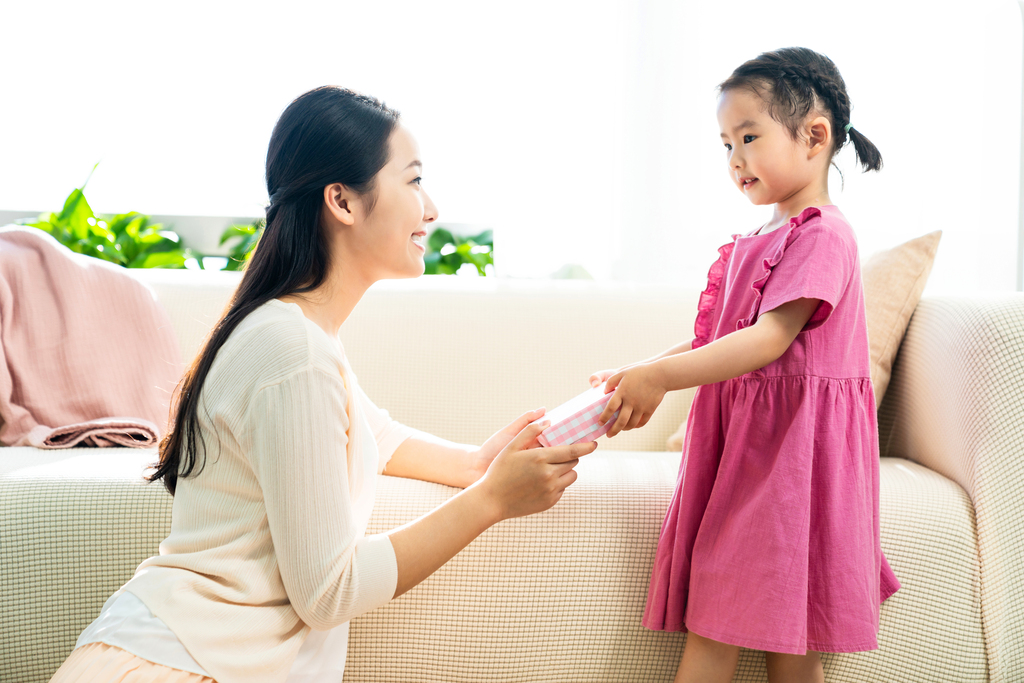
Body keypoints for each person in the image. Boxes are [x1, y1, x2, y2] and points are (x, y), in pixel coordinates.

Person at [49, 86, 595, 683]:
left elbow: (371, 433)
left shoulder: (296, 334)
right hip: (176, 664)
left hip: (186, 654)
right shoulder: (294, 351)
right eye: (413, 181)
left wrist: (477, 463)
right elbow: (328, 593)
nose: (432, 209)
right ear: (342, 201)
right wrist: (489, 501)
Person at [588, 47, 900, 683]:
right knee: (733, 612)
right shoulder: (758, 238)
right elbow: (718, 340)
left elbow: (769, 340)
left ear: (815, 136)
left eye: (748, 137)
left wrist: (662, 379)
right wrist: (640, 370)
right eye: (725, 143)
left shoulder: (824, 234)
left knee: (770, 636)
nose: (734, 158)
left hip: (789, 461)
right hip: (748, 452)